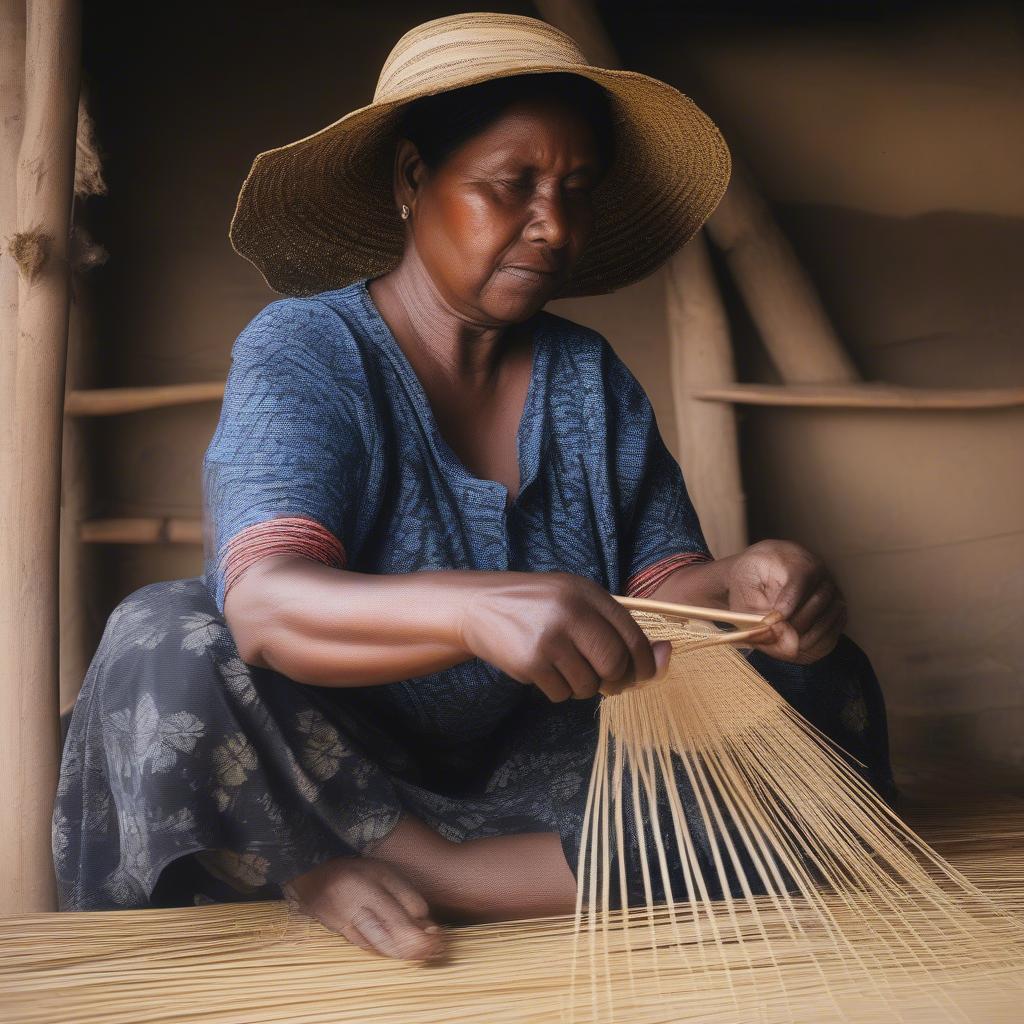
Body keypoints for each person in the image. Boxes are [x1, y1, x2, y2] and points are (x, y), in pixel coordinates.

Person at [52, 13, 895, 963]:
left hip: (530, 768)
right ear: (414, 180)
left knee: (823, 681)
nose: (556, 224)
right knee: (164, 638)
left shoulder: (588, 376)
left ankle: (420, 878)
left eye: (577, 191)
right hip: (323, 764)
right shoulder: (308, 350)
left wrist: (753, 584)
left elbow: (666, 603)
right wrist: (471, 611)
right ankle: (343, 859)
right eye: (511, 187)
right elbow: (265, 605)